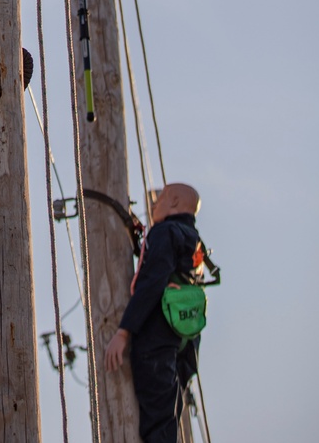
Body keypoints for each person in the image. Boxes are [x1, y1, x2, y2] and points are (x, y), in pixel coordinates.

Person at [104, 182, 208, 443]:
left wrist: (123, 332)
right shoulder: (194, 241)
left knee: (158, 424)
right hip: (187, 338)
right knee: (169, 413)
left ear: (173, 203)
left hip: (158, 338)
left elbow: (152, 283)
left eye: (159, 200)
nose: (153, 205)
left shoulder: (165, 232)